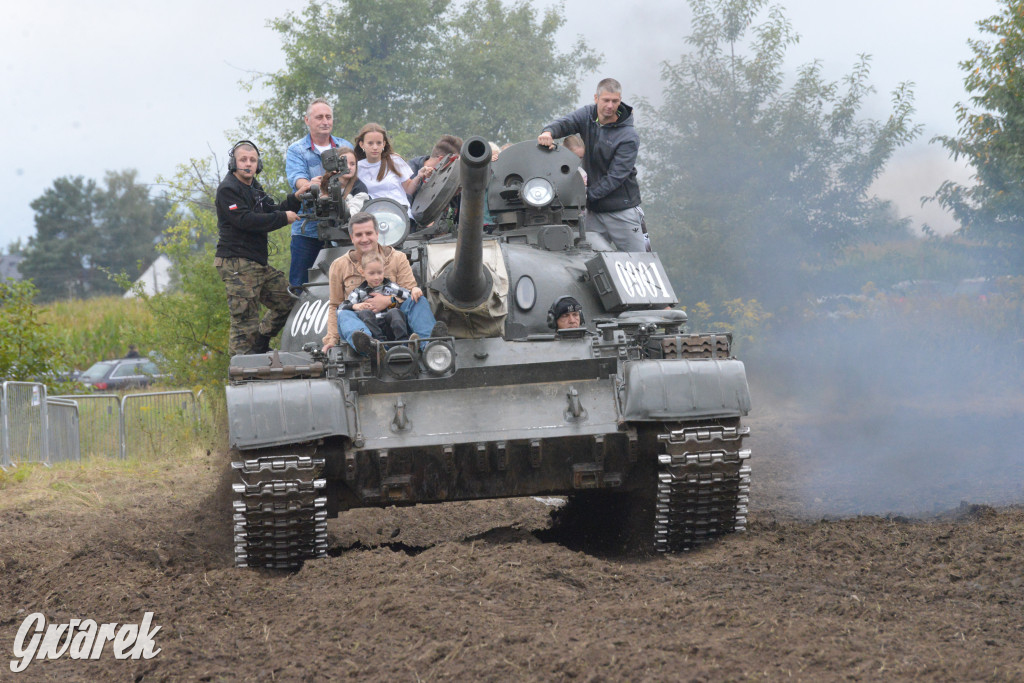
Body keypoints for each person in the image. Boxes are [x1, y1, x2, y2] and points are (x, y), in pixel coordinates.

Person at [537, 78, 645, 252]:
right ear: (596, 98)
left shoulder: (628, 135)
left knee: (641, 263)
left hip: (622, 211)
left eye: (615, 101)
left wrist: (585, 196)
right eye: (606, 100)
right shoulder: (587, 115)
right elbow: (566, 123)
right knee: (585, 262)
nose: (610, 105)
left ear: (620, 100)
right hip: (593, 213)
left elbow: (616, 176)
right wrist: (548, 132)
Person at [214, 140, 301, 356]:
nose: (248, 164)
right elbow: (245, 220)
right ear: (233, 162)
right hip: (237, 262)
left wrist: (295, 199)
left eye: (252, 160)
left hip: (257, 263)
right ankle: (241, 376)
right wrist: (283, 218)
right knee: (244, 322)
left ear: (258, 164)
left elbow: (272, 210)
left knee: (290, 301)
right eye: (243, 159)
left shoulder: (255, 188)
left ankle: (261, 343)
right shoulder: (228, 189)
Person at [321, 212, 447, 355]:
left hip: (395, 320)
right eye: (358, 235)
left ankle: (430, 345)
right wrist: (331, 340)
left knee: (417, 300)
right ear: (351, 237)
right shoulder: (339, 265)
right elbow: (335, 305)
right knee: (344, 314)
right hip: (363, 322)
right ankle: (370, 346)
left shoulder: (397, 258)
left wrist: (389, 300)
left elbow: (409, 290)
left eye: (369, 233)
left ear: (377, 233)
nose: (364, 239)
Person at [286, 98, 356, 296]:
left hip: (342, 227)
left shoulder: (344, 145)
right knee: (300, 286)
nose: (325, 121)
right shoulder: (297, 150)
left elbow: (355, 177)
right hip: (308, 228)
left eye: (328, 117)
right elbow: (297, 179)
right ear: (307, 120)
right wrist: (310, 185)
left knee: (347, 283)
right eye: (319, 117)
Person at [354, 123, 432, 216]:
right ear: (361, 144)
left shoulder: (394, 160)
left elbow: (408, 189)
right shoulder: (357, 168)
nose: (375, 147)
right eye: (370, 143)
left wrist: (419, 176)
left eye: (379, 143)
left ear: (384, 144)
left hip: (401, 216)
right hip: (374, 218)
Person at [342, 252, 412, 343]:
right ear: (362, 272)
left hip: (390, 326)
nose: (376, 277)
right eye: (371, 273)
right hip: (372, 328)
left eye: (379, 273)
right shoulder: (359, 292)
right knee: (365, 313)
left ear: (384, 270)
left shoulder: (390, 287)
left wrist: (392, 299)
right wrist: (355, 306)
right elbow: (342, 307)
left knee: (394, 312)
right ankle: (379, 344)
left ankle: (404, 342)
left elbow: (408, 295)